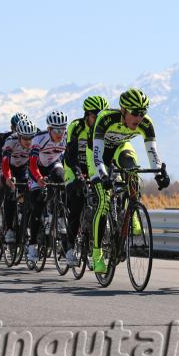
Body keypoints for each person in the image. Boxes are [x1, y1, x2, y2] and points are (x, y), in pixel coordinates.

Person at [86, 88, 169, 273]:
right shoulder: (106, 119)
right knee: (103, 201)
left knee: (133, 170)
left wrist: (159, 173)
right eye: (135, 113)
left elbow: (152, 153)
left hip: (120, 147)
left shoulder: (146, 123)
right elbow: (97, 156)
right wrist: (103, 175)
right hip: (97, 153)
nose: (139, 118)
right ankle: (97, 253)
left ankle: (131, 210)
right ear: (123, 110)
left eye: (142, 113)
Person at [63, 95, 109, 263]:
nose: (98, 119)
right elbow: (70, 155)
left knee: (98, 204)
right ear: (87, 114)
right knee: (77, 203)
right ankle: (69, 246)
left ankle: (93, 245)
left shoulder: (103, 129)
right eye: (95, 115)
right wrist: (77, 174)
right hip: (73, 167)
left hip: (92, 167)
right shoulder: (76, 127)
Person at [25, 111, 69, 266]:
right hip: (36, 169)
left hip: (52, 166)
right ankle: (32, 246)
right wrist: (38, 178)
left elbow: (70, 160)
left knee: (62, 179)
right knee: (37, 203)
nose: (60, 133)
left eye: (62, 129)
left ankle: (59, 213)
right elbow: (31, 163)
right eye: (56, 130)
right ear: (49, 129)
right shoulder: (39, 138)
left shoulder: (66, 138)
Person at [0, 118, 37, 250]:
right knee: (4, 194)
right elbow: (4, 162)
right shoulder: (10, 141)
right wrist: (7, 178)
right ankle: (2, 231)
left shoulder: (35, 141)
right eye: (25, 138)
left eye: (30, 138)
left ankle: (24, 223)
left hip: (23, 168)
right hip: (8, 167)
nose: (28, 141)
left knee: (31, 192)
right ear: (19, 135)